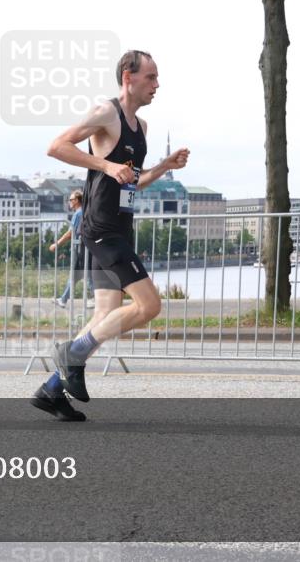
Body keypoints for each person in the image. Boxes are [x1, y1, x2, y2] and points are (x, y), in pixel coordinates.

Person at [30, 50, 189, 421]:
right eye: (150, 77)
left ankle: (52, 390)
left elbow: (135, 180)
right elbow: (57, 146)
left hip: (119, 228)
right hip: (101, 231)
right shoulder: (106, 113)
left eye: (157, 77)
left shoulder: (142, 128)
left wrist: (164, 166)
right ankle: (72, 354)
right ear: (128, 78)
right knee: (149, 306)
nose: (157, 84)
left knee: (105, 312)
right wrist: (105, 164)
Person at [49, 190, 94, 308]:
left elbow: (70, 233)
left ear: (76, 201)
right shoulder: (85, 212)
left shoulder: (78, 214)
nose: (69, 202)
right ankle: (63, 299)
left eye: (70, 200)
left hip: (80, 248)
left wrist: (57, 244)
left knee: (83, 274)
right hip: (84, 247)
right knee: (81, 274)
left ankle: (94, 298)